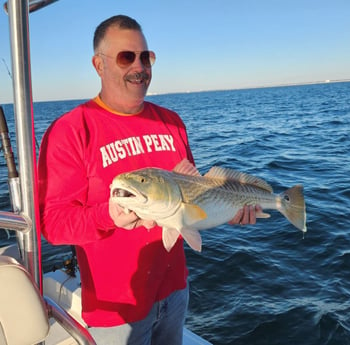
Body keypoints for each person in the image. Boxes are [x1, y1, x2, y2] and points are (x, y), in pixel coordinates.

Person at [38, 14, 259, 345]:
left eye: (146, 56)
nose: (139, 66)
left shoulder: (172, 122)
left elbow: (195, 195)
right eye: (127, 57)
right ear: (99, 65)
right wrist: (106, 216)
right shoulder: (70, 130)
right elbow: (52, 223)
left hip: (176, 291)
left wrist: (231, 210)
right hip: (118, 309)